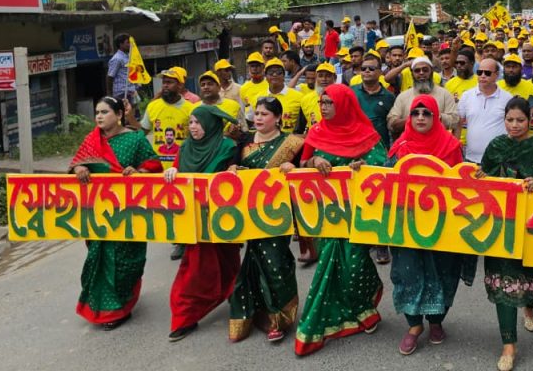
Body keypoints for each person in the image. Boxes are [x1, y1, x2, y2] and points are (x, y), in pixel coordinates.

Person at [293, 85, 386, 356]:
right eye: (321, 102)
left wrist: (362, 166)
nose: (323, 107)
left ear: (344, 105)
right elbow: (303, 164)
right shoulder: (317, 132)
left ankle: (362, 307)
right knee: (329, 264)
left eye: (329, 103)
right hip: (326, 214)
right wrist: (315, 161)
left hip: (357, 213)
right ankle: (334, 318)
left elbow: (381, 165)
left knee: (355, 262)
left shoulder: (366, 133)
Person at [479, 97, 533, 371]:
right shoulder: (496, 146)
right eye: (509, 120)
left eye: (520, 120)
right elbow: (485, 179)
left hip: (532, 227)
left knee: (529, 280)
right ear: (504, 120)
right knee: (503, 286)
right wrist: (481, 177)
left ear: (530, 121)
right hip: (500, 228)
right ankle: (508, 345)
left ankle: (529, 306)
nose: (514, 125)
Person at [386, 95, 470, 356]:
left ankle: (436, 322)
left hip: (442, 226)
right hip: (406, 225)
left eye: (427, 113)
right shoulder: (400, 147)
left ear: (436, 117)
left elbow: (460, 187)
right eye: (415, 113)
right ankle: (413, 326)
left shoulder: (451, 146)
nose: (420, 117)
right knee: (407, 271)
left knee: (443, 270)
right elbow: (385, 184)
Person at [71, 97, 163, 330]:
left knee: (123, 260)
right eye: (97, 112)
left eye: (105, 112)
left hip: (127, 212)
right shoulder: (92, 139)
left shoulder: (135, 139)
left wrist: (138, 170)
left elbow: (153, 165)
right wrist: (79, 168)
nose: (99, 116)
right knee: (97, 258)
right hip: (97, 213)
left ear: (119, 114)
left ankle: (121, 307)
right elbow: (77, 163)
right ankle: (99, 306)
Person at [227, 97, 304, 343]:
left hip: (279, 213)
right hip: (250, 212)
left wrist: (295, 169)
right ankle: (255, 313)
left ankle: (279, 317)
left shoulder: (292, 143)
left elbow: (305, 174)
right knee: (253, 260)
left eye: (264, 114)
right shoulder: (245, 142)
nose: (258, 118)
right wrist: (232, 170)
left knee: (276, 261)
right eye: (256, 114)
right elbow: (233, 168)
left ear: (278, 118)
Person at [164, 106, 242, 341]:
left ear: (210, 124)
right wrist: (172, 171)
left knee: (228, 262)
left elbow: (238, 173)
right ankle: (185, 315)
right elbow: (176, 168)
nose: (194, 127)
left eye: (198, 123)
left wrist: (234, 169)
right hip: (194, 221)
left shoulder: (227, 146)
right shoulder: (185, 147)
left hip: (222, 220)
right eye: (191, 123)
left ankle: (234, 294)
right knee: (196, 269)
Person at [457, 58, 513, 163]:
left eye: (487, 73)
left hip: (498, 159)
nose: (482, 76)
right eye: (479, 72)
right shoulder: (466, 96)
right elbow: (458, 123)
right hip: (470, 158)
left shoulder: (507, 98)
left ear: (496, 75)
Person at [387, 57, 459, 137]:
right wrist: (412, 119)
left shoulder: (444, 94)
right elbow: (391, 122)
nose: (421, 73)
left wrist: (436, 116)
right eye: (417, 71)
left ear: (431, 72)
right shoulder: (403, 96)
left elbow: (455, 120)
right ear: (412, 74)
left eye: (425, 70)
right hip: (411, 145)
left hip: (437, 145)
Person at [142, 67, 196, 165]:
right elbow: (141, 134)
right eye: (164, 82)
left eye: (169, 82)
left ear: (180, 85)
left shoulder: (191, 109)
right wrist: (130, 117)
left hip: (183, 166)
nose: (165, 85)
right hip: (158, 168)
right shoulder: (152, 106)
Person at [352, 54, 396, 149]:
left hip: (380, 150)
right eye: (363, 68)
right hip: (354, 146)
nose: (367, 71)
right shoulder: (350, 92)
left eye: (371, 68)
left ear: (380, 72)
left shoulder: (389, 97)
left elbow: (392, 127)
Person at [256, 58, 305, 134]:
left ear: (284, 75)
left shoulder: (299, 97)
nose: (275, 75)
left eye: (278, 72)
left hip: (289, 142)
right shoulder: (259, 97)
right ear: (265, 76)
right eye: (271, 72)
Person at [106, 33, 137, 104]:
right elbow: (109, 76)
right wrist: (110, 95)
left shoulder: (128, 56)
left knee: (133, 114)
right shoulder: (117, 58)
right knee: (124, 114)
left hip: (131, 92)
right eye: (128, 42)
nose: (130, 45)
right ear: (121, 44)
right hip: (121, 94)